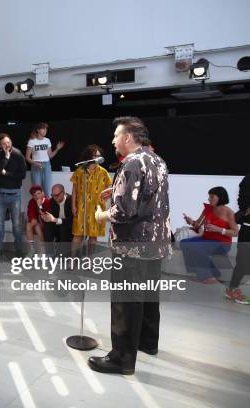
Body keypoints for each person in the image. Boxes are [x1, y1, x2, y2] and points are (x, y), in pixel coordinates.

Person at [90, 116, 171, 375]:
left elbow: (125, 211)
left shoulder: (132, 163)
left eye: (116, 135)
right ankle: (148, 343)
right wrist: (114, 189)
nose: (113, 140)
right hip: (155, 243)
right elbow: (146, 197)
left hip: (132, 245)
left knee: (126, 301)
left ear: (128, 137)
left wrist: (101, 215)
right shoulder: (157, 160)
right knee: (148, 296)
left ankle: (121, 359)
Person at [180, 187, 238, 284]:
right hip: (206, 239)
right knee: (184, 243)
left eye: (212, 197)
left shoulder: (229, 212)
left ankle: (209, 275)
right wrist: (191, 221)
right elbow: (198, 224)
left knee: (196, 247)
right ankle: (202, 273)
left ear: (220, 197)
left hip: (222, 243)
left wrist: (219, 229)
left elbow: (235, 232)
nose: (209, 199)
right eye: (209, 197)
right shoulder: (207, 209)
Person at [70, 144, 112, 256]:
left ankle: (89, 259)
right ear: (89, 156)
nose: (97, 158)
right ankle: (73, 258)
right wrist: (73, 206)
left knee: (93, 236)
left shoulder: (103, 172)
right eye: (95, 155)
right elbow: (74, 190)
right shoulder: (79, 171)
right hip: (81, 208)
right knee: (77, 235)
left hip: (97, 209)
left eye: (99, 156)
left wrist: (106, 198)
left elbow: (109, 189)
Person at [0, 133, 27, 258]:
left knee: (16, 224)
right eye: (4, 143)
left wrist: (6, 174)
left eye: (8, 142)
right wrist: (5, 158)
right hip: (0, 195)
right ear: (0, 145)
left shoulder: (18, 154)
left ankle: (19, 250)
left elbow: (22, 175)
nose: (7, 144)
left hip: (14, 194)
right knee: (0, 224)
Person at [227, 174, 250, 304]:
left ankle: (232, 289)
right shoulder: (248, 180)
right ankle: (232, 290)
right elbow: (243, 200)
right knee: (242, 263)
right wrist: (245, 209)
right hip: (248, 229)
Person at [25, 122, 64, 197]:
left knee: (47, 190)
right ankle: (39, 208)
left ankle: (48, 208)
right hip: (36, 166)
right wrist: (36, 163)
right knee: (37, 191)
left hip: (46, 165)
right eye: (43, 129)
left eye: (46, 129)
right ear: (38, 130)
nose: (45, 130)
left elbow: (50, 156)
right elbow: (27, 157)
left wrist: (57, 149)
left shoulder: (47, 140)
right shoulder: (32, 141)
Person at [26, 185, 49, 250]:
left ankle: (43, 249)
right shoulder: (31, 202)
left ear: (42, 193)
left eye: (39, 193)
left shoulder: (47, 201)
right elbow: (30, 213)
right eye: (34, 195)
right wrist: (32, 219)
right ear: (32, 196)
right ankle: (31, 249)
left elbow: (46, 215)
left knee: (37, 227)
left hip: (47, 223)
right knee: (29, 225)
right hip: (38, 223)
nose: (37, 196)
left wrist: (40, 205)